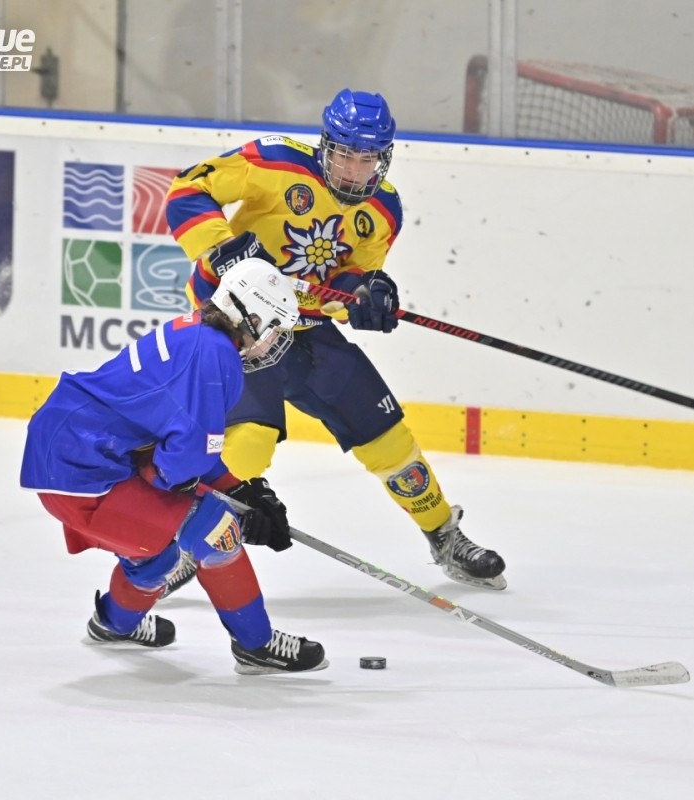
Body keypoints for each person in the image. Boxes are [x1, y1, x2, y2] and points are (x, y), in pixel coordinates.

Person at [165, 88, 507, 591]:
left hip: (306, 329)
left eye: (368, 159)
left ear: (384, 158)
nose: (354, 170)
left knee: (386, 433)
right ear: (326, 145)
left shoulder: (384, 209)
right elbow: (186, 188)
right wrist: (222, 249)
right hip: (237, 325)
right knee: (250, 441)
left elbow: (343, 283)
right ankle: (186, 544)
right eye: (346, 154)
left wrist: (364, 297)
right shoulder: (275, 162)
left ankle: (443, 534)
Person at [19, 258, 328, 674]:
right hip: (84, 466)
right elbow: (177, 469)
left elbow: (180, 446)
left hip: (71, 448)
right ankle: (256, 645)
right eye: (273, 328)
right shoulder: (217, 357)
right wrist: (237, 510)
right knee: (216, 529)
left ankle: (114, 624)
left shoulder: (201, 332)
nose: (272, 342)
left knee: (157, 557)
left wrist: (240, 489)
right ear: (252, 317)